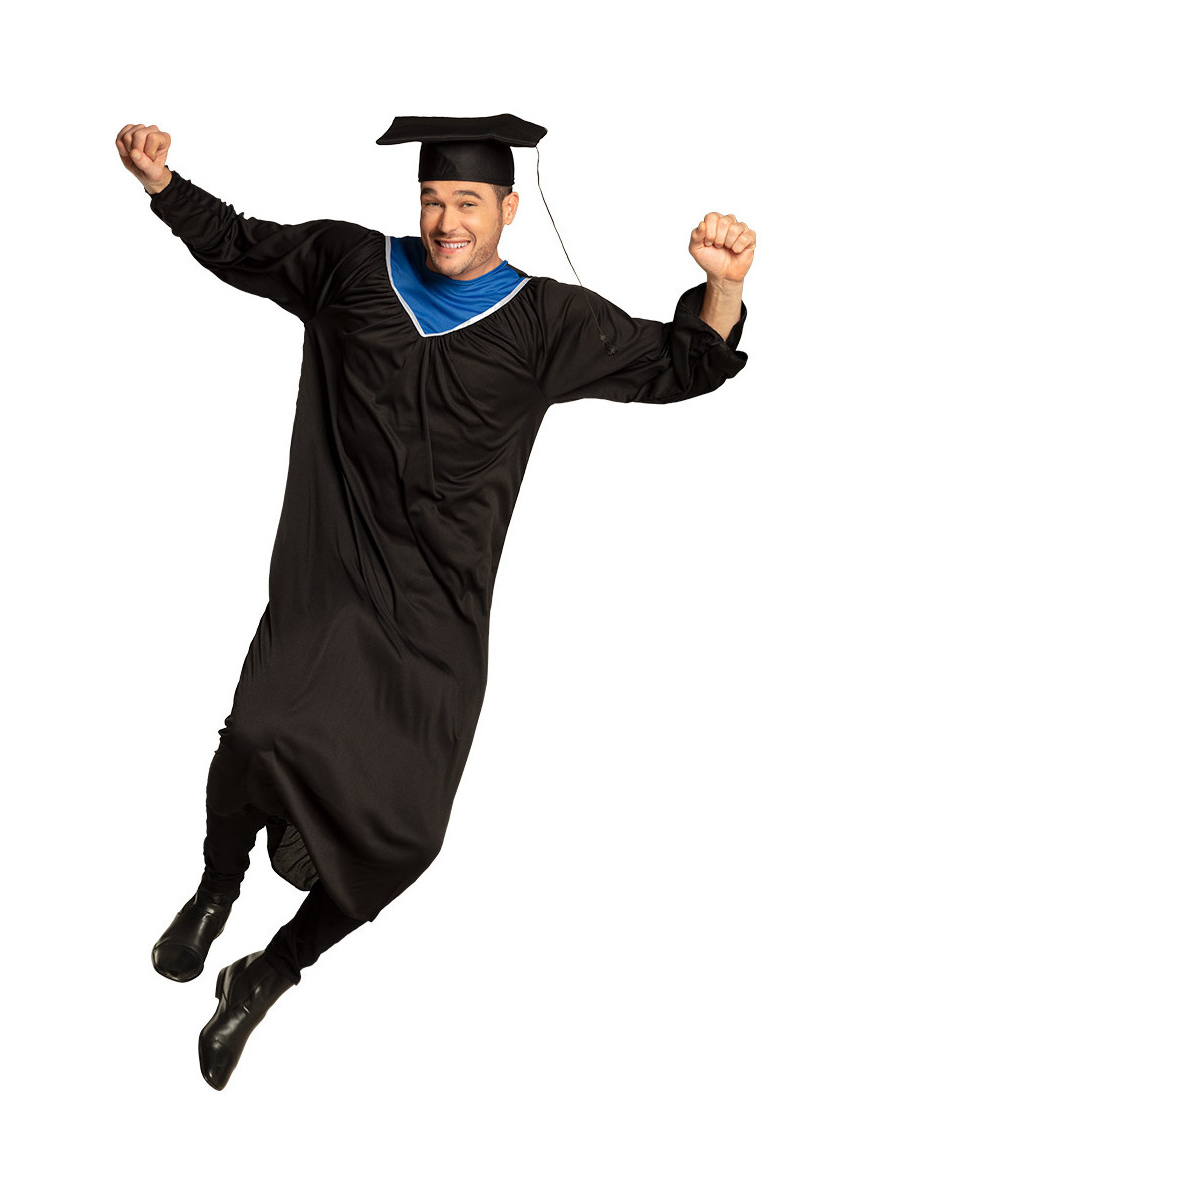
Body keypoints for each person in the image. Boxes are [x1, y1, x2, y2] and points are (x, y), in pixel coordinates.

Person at [115, 114, 756, 1090]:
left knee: (407, 836)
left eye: (467, 201)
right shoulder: (348, 267)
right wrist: (164, 185)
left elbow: (681, 366)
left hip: (436, 617)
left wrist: (723, 286)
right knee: (258, 732)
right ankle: (214, 890)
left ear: (507, 208)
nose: (447, 220)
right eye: (432, 199)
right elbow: (239, 244)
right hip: (331, 576)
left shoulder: (545, 323)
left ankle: (268, 972)